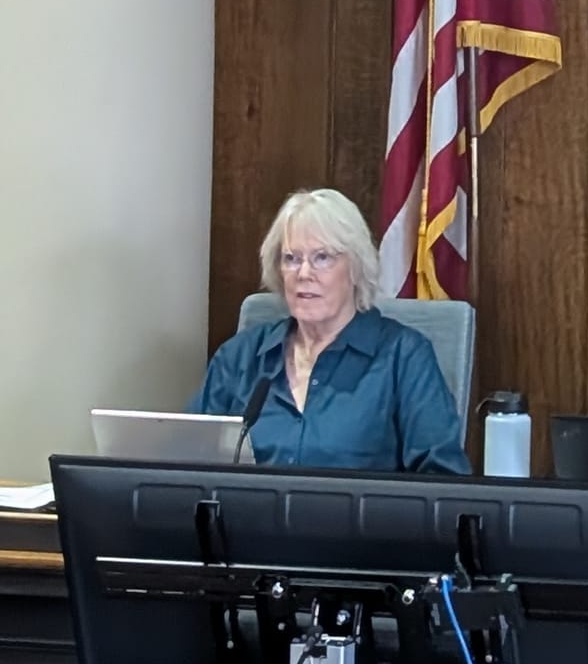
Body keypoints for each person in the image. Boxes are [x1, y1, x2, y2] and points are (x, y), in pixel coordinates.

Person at [191, 189, 469, 474]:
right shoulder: (239, 358)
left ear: (355, 268)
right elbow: (187, 464)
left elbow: (443, 479)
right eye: (291, 259)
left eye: (322, 257)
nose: (304, 273)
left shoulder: (404, 358)